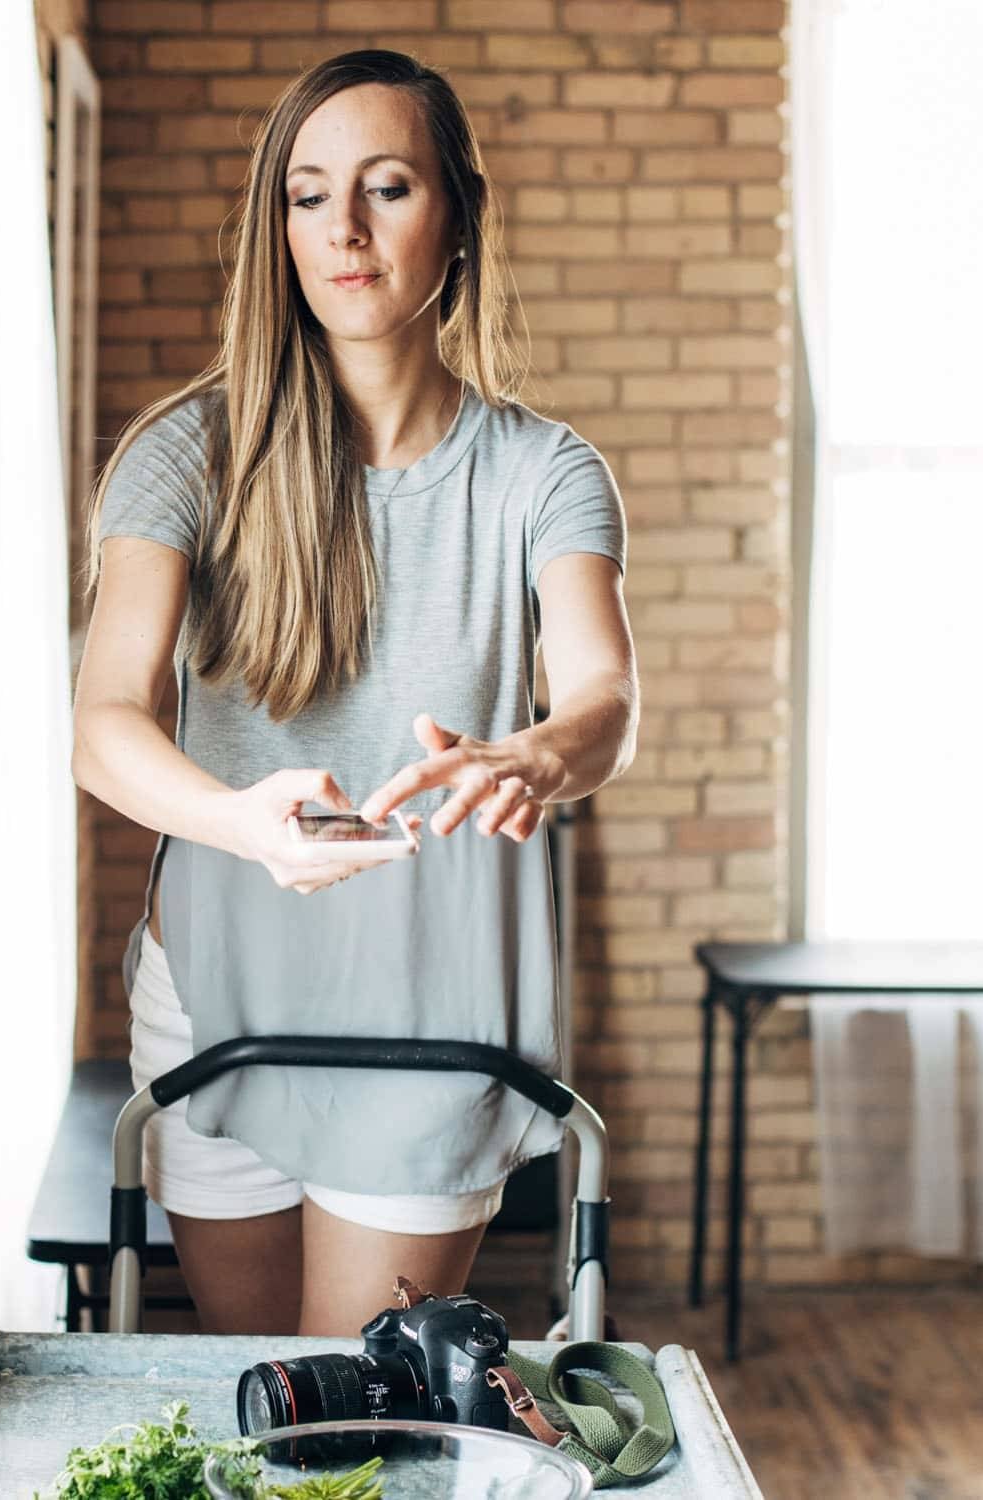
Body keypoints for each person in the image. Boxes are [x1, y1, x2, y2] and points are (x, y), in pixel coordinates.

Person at [70, 49, 638, 1339]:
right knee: (262, 1393)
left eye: (387, 187)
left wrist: (540, 755)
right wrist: (243, 824)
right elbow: (103, 725)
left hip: (434, 1017)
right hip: (220, 999)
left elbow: (605, 692)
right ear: (277, 229)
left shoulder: (545, 473)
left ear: (458, 217)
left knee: (356, 1412)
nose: (345, 230)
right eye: (309, 195)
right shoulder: (183, 454)